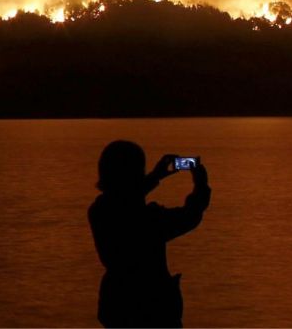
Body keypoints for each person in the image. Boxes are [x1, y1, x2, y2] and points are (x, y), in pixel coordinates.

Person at [88, 140, 211, 328]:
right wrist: (201, 184)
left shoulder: (99, 211)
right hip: (153, 309)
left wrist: (154, 177)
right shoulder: (149, 219)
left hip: (117, 305)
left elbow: (123, 199)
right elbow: (191, 216)